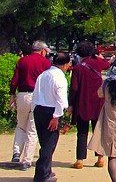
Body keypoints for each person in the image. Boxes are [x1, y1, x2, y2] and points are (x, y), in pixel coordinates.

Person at [10, 40, 51, 170]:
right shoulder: (45, 63)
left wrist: (12, 94)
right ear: (43, 50)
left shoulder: (22, 61)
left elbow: (15, 79)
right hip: (37, 96)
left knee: (21, 125)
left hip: (22, 95)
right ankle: (27, 160)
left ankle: (16, 152)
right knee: (33, 128)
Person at [32, 51, 73, 182]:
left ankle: (46, 170)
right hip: (51, 111)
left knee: (44, 142)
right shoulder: (60, 77)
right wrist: (56, 116)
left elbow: (36, 93)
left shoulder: (43, 74)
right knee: (49, 143)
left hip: (39, 109)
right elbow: (61, 100)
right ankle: (42, 174)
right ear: (66, 64)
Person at [70, 41, 111, 170]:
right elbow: (107, 64)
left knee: (82, 132)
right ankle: (100, 158)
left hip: (82, 103)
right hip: (98, 102)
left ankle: (80, 160)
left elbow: (74, 88)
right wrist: (98, 56)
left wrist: (71, 104)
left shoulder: (78, 68)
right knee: (98, 131)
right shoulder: (97, 62)